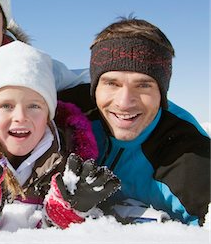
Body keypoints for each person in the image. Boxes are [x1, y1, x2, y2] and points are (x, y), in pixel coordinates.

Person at [0, 41, 120, 230]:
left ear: (48, 114)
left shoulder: (66, 158)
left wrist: (65, 217)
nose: (21, 117)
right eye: (6, 106)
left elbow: (95, 226)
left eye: (34, 106)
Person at [62, 17, 210, 225]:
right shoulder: (68, 111)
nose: (124, 102)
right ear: (95, 88)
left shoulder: (190, 161)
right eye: (112, 83)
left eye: (143, 86)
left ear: (162, 92)